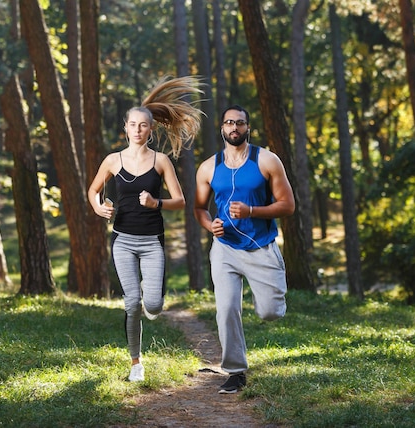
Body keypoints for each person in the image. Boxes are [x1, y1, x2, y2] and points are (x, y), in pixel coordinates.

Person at [88, 76, 203, 382]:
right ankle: (135, 363)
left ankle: (148, 301)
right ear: (124, 128)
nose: (137, 130)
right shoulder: (112, 161)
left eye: (143, 125)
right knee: (130, 303)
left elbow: (180, 200)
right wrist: (99, 206)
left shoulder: (161, 161)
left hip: (152, 242)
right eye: (132, 125)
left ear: (151, 130)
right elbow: (93, 190)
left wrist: (156, 203)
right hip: (123, 241)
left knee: (152, 305)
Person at [194, 104, 295, 393]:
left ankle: (269, 293)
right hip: (225, 247)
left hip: (260, 246)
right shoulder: (208, 167)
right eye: (228, 123)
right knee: (225, 309)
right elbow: (199, 208)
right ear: (222, 128)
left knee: (270, 313)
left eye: (239, 123)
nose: (234, 128)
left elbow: (288, 206)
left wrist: (251, 210)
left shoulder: (266, 160)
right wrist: (208, 225)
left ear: (247, 128)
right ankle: (236, 372)